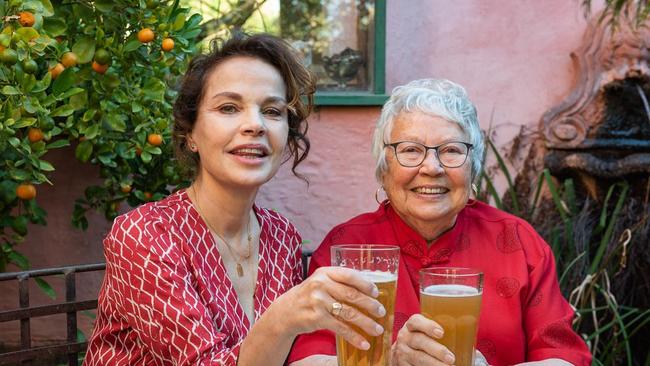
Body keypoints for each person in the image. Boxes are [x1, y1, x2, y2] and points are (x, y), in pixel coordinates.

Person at [83, 33, 388, 365]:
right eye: (229, 107)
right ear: (190, 135)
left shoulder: (280, 235)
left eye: (272, 111)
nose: (254, 125)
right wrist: (283, 320)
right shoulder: (145, 235)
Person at [288, 79, 592, 366]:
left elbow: (563, 356)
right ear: (384, 170)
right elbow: (307, 358)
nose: (431, 167)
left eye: (451, 151)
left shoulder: (519, 242)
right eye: (410, 150)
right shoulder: (347, 246)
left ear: (472, 170)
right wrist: (389, 361)